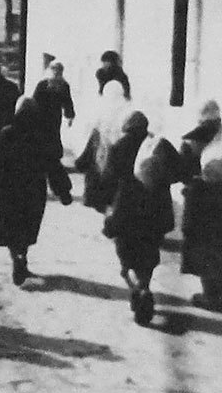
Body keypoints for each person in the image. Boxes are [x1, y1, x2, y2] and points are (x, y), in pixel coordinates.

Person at [101, 111, 183, 325]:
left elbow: (109, 182)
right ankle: (144, 288)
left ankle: (137, 288)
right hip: (152, 232)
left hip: (126, 231)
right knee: (146, 264)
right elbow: (180, 170)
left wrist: (108, 225)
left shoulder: (122, 161)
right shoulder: (160, 150)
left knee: (128, 263)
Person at [0, 98, 72, 286]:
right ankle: (22, 254)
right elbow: (53, 165)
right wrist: (63, 190)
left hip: (10, 190)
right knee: (27, 227)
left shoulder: (7, 133)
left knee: (10, 228)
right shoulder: (43, 134)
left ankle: (17, 257)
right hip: (34, 190)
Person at [179, 101, 222, 311]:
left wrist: (195, 188)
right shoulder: (215, 137)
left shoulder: (214, 152)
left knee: (209, 249)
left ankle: (212, 297)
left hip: (213, 206)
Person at [74, 80, 131, 212]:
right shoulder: (126, 107)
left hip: (102, 145)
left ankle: (97, 200)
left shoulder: (101, 106)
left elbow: (93, 126)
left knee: (99, 172)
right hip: (118, 145)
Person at [33, 60, 76, 158]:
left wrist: (69, 116)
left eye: (58, 70)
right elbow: (35, 99)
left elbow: (67, 101)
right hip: (41, 114)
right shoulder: (43, 84)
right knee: (42, 135)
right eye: (54, 69)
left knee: (53, 135)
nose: (56, 72)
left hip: (54, 115)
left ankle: (52, 157)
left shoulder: (64, 86)